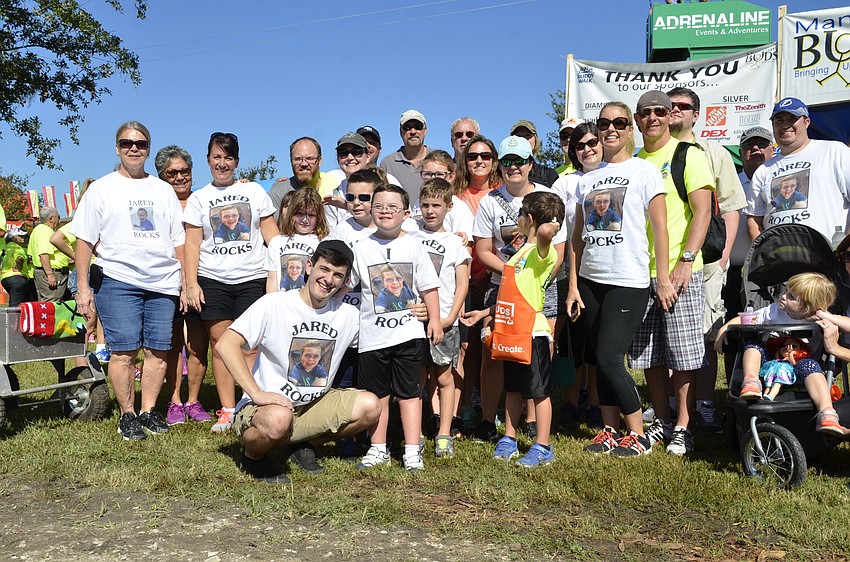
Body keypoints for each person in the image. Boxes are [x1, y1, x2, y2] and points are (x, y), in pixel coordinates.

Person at [215, 240, 381, 483]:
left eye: (338, 275)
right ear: (309, 266)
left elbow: (383, 337)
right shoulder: (275, 304)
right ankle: (253, 457)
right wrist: (255, 393)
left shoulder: (347, 315)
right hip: (266, 408)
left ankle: (301, 442)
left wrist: (419, 313)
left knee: (371, 406)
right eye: (324, 269)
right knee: (278, 419)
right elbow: (225, 344)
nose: (328, 280)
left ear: (345, 282)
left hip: (312, 405)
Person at [566, 101, 672, 456]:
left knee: (612, 358)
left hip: (629, 279)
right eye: (604, 123)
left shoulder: (644, 171)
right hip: (591, 279)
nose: (611, 129)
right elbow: (577, 237)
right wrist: (572, 286)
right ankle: (609, 430)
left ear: (630, 129)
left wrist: (663, 277)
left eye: (620, 122)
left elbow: (660, 228)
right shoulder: (586, 179)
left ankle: (639, 433)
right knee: (598, 357)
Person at [72, 120, 185, 440]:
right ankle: (128, 414)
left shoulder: (162, 189)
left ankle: (148, 411)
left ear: (148, 148)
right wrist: (83, 287)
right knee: (123, 351)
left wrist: (186, 282)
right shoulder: (102, 188)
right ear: (117, 148)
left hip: (163, 282)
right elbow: (84, 241)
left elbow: (178, 240)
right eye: (126, 143)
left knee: (159, 351)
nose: (133, 148)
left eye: (140, 143)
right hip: (118, 281)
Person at [627, 90, 714, 456]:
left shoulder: (687, 154)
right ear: (637, 119)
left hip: (679, 271)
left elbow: (704, 212)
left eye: (660, 112)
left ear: (669, 115)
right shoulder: (634, 162)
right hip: (638, 272)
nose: (652, 118)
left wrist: (686, 260)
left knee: (682, 355)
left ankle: (683, 425)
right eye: (645, 113)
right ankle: (661, 422)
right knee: (649, 355)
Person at [470, 135, 567, 442]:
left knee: (539, 352)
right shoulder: (490, 200)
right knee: (494, 353)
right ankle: (488, 418)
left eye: (519, 161)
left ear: (530, 164)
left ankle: (534, 419)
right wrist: (513, 272)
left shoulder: (547, 197)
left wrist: (533, 277)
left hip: (541, 287)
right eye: (507, 161)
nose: (512, 167)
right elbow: (484, 250)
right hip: (502, 286)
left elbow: (559, 250)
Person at [184, 132, 278, 434]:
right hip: (213, 280)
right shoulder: (199, 198)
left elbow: (271, 237)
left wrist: (290, 267)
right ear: (208, 160)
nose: (222, 164)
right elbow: (192, 244)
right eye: (216, 157)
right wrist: (190, 284)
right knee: (222, 346)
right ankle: (226, 410)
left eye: (228, 158)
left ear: (236, 161)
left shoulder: (254, 192)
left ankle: (249, 402)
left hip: (253, 278)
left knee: (250, 346)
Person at [667, 86, 747, 433]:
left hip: (707, 261)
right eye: (669, 106)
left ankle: (703, 405)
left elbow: (730, 207)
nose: (674, 111)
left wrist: (724, 255)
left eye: (682, 106)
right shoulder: (651, 154)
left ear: (695, 114)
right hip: (664, 262)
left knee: (704, 336)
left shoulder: (714, 153)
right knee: (669, 336)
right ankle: (673, 405)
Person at [350, 184, 443, 472]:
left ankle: (412, 450)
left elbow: (429, 287)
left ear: (405, 213)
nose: (385, 212)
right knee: (378, 395)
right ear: (370, 210)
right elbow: (346, 286)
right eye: (379, 206)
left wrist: (435, 320)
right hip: (372, 338)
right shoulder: (361, 248)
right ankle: (378, 448)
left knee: (410, 394)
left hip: (409, 334)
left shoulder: (414, 245)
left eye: (392, 207)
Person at [715, 272, 846, 435]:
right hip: (771, 367)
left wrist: (825, 315)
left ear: (809, 306)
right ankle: (751, 382)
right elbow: (746, 318)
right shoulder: (774, 311)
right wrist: (724, 328)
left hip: (802, 369)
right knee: (753, 345)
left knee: (811, 366)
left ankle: (827, 413)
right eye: (786, 291)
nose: (783, 296)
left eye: (791, 296)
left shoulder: (817, 318)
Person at [411, 178, 470, 457]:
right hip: (414, 320)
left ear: (449, 206)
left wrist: (449, 317)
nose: (430, 211)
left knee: (444, 377)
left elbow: (462, 285)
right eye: (425, 205)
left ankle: (444, 433)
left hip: (445, 322)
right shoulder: (410, 235)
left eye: (436, 205)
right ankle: (417, 434)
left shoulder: (455, 243)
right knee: (417, 379)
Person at [552, 122, 605, 429]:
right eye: (580, 145)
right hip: (571, 272)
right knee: (573, 342)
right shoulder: (565, 183)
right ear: (573, 151)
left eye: (592, 142)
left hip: (605, 270)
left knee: (598, 343)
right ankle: (572, 404)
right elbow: (559, 228)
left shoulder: (615, 174)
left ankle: (596, 404)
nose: (587, 149)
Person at [154, 145, 212, 425]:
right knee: (173, 345)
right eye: (172, 173)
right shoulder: (157, 203)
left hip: (201, 281)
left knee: (199, 345)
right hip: (167, 284)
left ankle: (194, 400)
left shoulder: (203, 199)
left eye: (184, 171)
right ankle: (175, 401)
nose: (179, 177)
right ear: (162, 176)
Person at [746, 97, 850, 243]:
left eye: (792, 118)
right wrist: (765, 256)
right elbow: (754, 219)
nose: (785, 125)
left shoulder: (834, 151)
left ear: (806, 122)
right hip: (779, 261)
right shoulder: (763, 171)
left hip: (829, 258)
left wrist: (846, 250)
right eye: (779, 120)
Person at [723, 126, 775, 378]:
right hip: (735, 271)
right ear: (741, 152)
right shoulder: (729, 183)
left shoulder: (779, 177)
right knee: (733, 333)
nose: (756, 149)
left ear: (771, 148)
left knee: (773, 330)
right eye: (749, 146)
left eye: (762, 144)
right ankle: (734, 389)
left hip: (772, 269)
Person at [266, 188, 328, 293]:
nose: (305, 220)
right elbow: (272, 278)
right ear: (291, 213)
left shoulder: (324, 242)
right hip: (283, 303)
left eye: (311, 215)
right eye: (300, 214)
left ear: (319, 217)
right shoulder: (277, 242)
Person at [269, 137, 340, 222]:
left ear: (319, 161)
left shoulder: (335, 188)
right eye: (298, 159)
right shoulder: (279, 192)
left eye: (310, 158)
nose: (304, 164)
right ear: (291, 161)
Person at [380, 109, 432, 210]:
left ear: (425, 131)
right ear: (401, 131)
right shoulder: (387, 164)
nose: (413, 131)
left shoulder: (439, 159)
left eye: (418, 127)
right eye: (407, 127)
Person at [28, 206, 68, 302]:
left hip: (44, 272)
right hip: (50, 273)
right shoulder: (45, 231)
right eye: (58, 217)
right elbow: (43, 254)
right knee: (51, 303)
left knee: (47, 303)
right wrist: (50, 274)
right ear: (51, 219)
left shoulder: (37, 230)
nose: (59, 220)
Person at [510, 120, 558, 187]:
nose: (523, 140)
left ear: (536, 140)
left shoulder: (549, 175)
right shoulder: (502, 174)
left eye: (528, 135)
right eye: (519, 136)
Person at [1, 226, 35, 307]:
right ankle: (13, 320)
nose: (25, 239)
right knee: (17, 307)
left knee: (17, 304)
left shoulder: (7, 247)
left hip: (5, 277)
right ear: (13, 237)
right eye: (21, 236)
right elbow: (19, 258)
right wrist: (19, 267)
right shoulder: (17, 247)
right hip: (17, 278)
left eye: (26, 236)